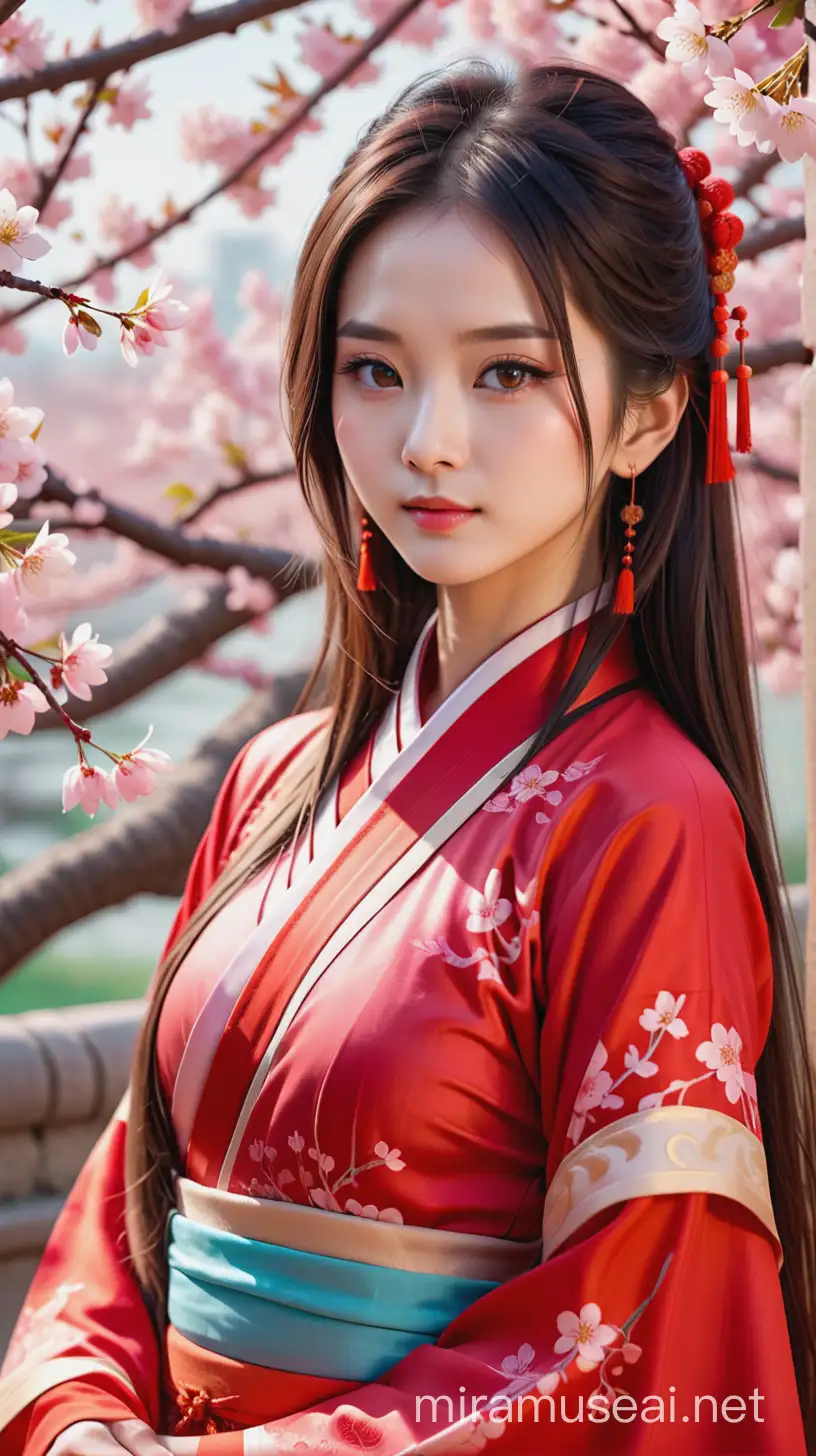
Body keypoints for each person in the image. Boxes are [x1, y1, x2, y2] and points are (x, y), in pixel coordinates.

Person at [1, 57, 814, 1456]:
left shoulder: (648, 816)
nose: (428, 442)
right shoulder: (277, 780)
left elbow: (631, 1326)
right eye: (375, 371)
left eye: (509, 372)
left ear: (651, 412)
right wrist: (77, 1416)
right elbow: (133, 1201)